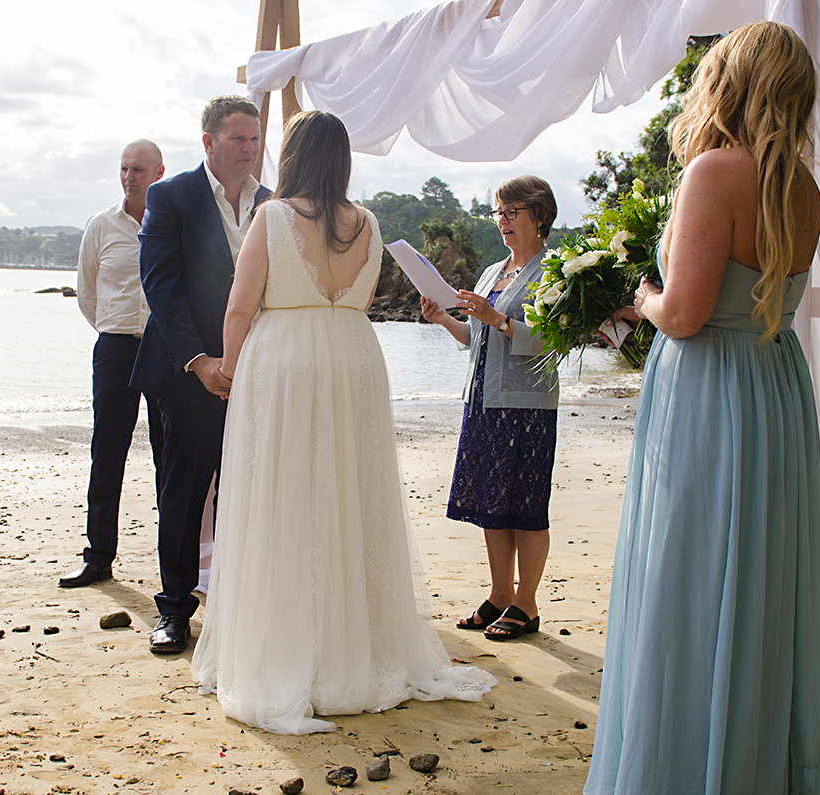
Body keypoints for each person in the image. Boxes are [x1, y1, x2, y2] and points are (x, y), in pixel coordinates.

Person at [192, 110, 495, 734]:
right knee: (350, 498)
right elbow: (360, 296)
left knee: (285, 501)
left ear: (294, 155)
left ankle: (291, 652)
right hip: (353, 359)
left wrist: (230, 371)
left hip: (287, 363)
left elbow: (240, 307)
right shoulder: (370, 223)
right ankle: (354, 648)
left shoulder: (271, 216)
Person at [584, 22, 820, 794]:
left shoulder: (715, 171)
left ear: (730, 83)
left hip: (709, 396)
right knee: (756, 583)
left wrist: (642, 297)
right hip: (774, 393)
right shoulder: (805, 190)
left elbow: (686, 313)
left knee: (688, 581)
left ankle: (679, 767)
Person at [132, 96, 271, 654]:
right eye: (239, 138)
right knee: (183, 494)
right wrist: (200, 361)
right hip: (186, 374)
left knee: (250, 490)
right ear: (209, 142)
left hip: (257, 373)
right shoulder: (170, 197)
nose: (250, 148)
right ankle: (173, 610)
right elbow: (160, 285)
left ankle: (240, 607)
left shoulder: (272, 202)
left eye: (255, 138)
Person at [420, 175, 559, 641]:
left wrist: (497, 318)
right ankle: (500, 594)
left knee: (526, 505)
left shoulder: (554, 272)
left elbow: (551, 340)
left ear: (540, 215)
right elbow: (474, 338)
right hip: (481, 402)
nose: (502, 221)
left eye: (512, 212)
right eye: (498, 212)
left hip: (526, 406)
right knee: (492, 502)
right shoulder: (493, 271)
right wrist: (445, 319)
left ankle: (527, 602)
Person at [58, 140, 167, 588]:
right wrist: (114, 329)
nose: (128, 177)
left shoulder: (171, 222)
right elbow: (88, 295)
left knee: (170, 455)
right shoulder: (101, 226)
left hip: (165, 348)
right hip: (115, 348)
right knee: (107, 453)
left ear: (159, 173)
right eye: (123, 168)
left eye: (137, 169)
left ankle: (177, 566)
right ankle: (99, 557)